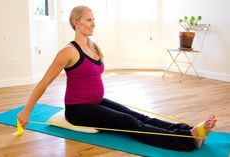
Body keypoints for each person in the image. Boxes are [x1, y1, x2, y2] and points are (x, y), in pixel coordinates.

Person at [17, 5, 217, 151]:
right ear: (76, 23)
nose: (93, 23)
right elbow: (44, 81)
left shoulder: (93, 47)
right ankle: (188, 140)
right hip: (78, 110)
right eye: (89, 19)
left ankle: (187, 129)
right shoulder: (67, 52)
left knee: (139, 116)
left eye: (93, 19)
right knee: (129, 121)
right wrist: (26, 112)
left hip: (95, 102)